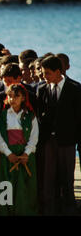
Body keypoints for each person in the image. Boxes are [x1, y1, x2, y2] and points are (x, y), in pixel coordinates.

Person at [36, 55, 81, 216]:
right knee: (48, 181)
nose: (44, 77)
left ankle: (69, 211)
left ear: (57, 72)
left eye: (47, 73)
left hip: (67, 142)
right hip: (48, 142)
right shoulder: (42, 89)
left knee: (67, 180)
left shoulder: (75, 89)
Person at [0, 84, 39, 215]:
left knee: (25, 189)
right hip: (8, 158)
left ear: (24, 98)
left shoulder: (30, 116)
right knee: (6, 188)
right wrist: (8, 153)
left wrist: (27, 153)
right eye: (10, 96)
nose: (12, 99)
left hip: (25, 158)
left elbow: (34, 136)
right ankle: (5, 213)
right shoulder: (3, 116)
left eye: (16, 96)